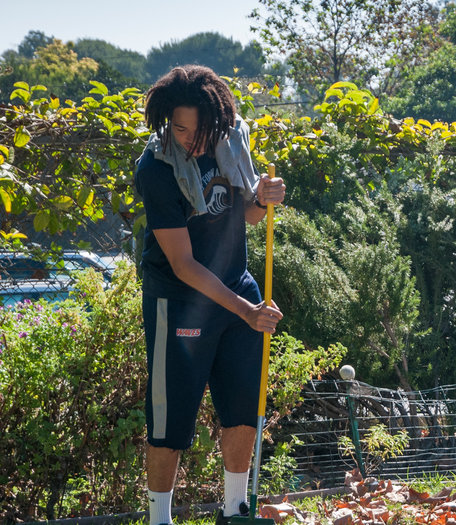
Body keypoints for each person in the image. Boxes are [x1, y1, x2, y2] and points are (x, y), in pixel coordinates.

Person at [135, 64, 286, 525]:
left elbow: (247, 218)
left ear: (218, 121)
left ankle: (234, 511)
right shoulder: (156, 168)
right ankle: (160, 519)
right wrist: (247, 311)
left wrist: (262, 198)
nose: (189, 139)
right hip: (178, 298)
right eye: (179, 128)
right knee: (171, 424)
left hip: (236, 285)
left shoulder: (231, 142)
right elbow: (183, 265)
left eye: (199, 130)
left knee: (243, 407)